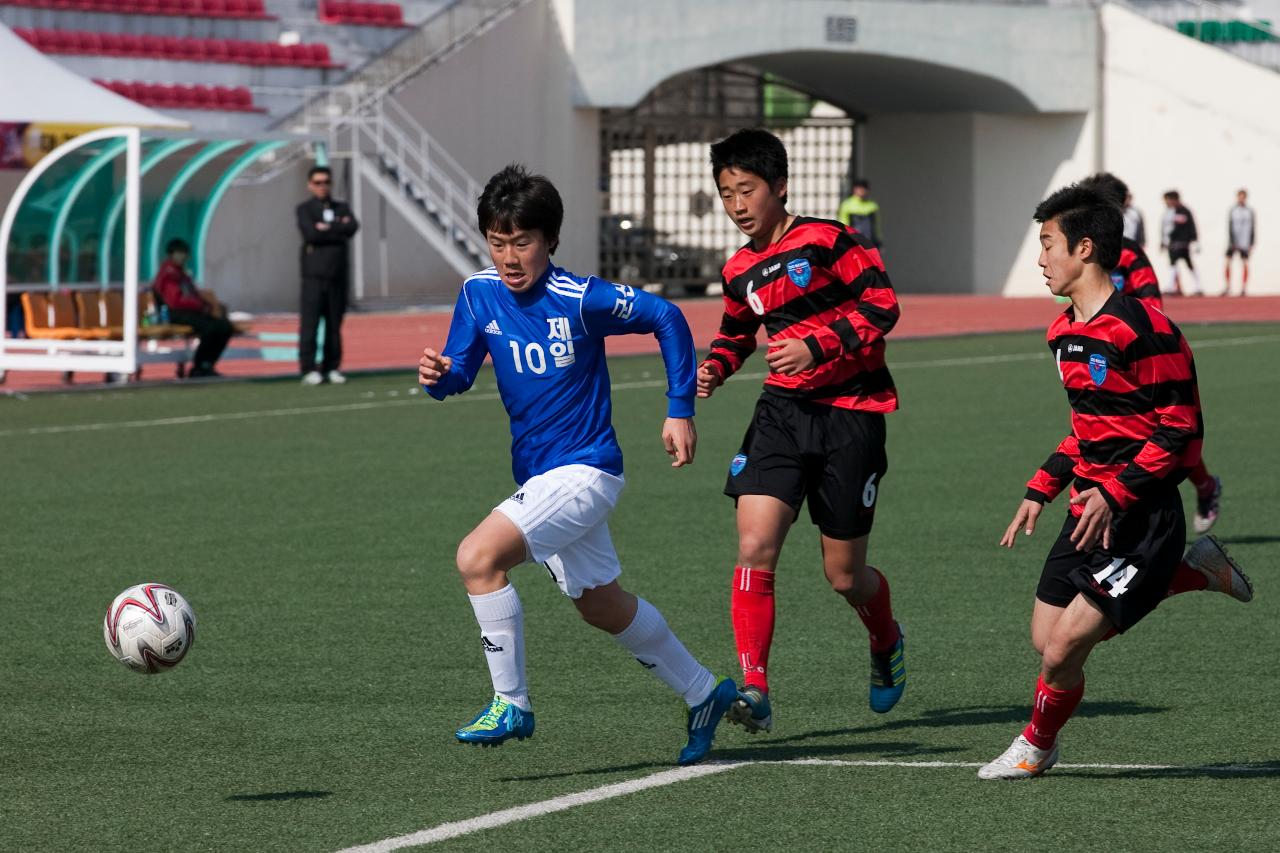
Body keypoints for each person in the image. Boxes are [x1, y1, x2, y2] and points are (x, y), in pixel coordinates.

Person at [417, 164, 737, 765]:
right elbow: (459, 371)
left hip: (587, 470)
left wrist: (679, 409)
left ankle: (510, 701)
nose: (510, 256)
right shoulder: (478, 293)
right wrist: (438, 377)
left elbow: (667, 317)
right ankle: (705, 692)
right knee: (601, 605)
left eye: (523, 241)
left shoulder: (579, 298)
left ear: (550, 241)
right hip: (541, 479)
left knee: (476, 558)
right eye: (498, 240)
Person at [978, 183, 1252, 780]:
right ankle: (1189, 573)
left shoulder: (1142, 328)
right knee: (1045, 638)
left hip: (1142, 517)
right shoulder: (1061, 335)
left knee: (1060, 654)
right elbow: (1085, 429)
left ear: (1084, 249)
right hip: (1087, 511)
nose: (1040, 259)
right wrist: (1040, 488)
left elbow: (1180, 427)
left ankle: (1036, 746)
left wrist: (1116, 491)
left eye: (1048, 245)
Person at [697, 129, 905, 735]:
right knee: (755, 544)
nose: (737, 204)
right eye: (726, 193)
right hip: (781, 416)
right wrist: (716, 366)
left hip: (853, 413)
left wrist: (816, 344)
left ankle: (886, 638)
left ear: (779, 188)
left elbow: (883, 305)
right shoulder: (738, 267)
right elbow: (738, 331)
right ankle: (754, 685)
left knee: (844, 575)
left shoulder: (829, 240)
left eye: (748, 190)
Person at [1083, 175, 1225, 533]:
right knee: (1103, 437)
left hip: (1138, 359)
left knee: (1163, 434)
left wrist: (1125, 339)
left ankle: (1202, 487)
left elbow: (1152, 309)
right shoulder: (1085, 253)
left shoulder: (1129, 253)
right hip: (1103, 361)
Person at [297, 165, 359, 385]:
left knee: (334, 325)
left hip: (337, 276)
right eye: (318, 182)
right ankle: (308, 368)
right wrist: (336, 228)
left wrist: (327, 227)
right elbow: (311, 233)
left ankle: (332, 366)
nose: (322, 186)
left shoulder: (341, 207)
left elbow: (352, 227)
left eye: (326, 182)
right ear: (310, 185)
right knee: (310, 324)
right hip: (313, 278)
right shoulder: (304, 209)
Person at [152, 238, 234, 378]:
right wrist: (203, 307)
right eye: (179, 253)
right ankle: (199, 366)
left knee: (225, 326)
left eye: (184, 253)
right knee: (210, 328)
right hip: (174, 314)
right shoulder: (169, 274)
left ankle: (207, 364)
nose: (182, 256)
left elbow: (193, 294)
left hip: (188, 312)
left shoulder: (181, 274)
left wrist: (209, 306)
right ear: (171, 254)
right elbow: (175, 301)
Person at [1160, 190, 1201, 296]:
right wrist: (1163, 241)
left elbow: (1191, 226)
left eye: (1168, 200)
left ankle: (1198, 286)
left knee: (1185, 264)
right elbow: (1165, 229)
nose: (1166, 203)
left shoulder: (1184, 211)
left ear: (1174, 200)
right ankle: (1172, 287)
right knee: (1173, 264)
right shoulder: (1169, 212)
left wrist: (1195, 240)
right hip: (1173, 243)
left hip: (1182, 243)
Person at [1225, 189, 1255, 297]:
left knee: (1244, 262)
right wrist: (1232, 241)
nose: (1241, 199)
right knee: (1228, 261)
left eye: (1243, 197)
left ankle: (1243, 287)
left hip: (1245, 241)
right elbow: (1229, 226)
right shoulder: (1233, 210)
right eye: (1239, 196)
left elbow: (1253, 227)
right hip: (1233, 242)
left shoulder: (1249, 211)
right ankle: (1228, 286)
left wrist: (1251, 242)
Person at [836, 178, 883, 248]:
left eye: (864, 188)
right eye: (859, 188)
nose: (862, 191)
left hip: (870, 242)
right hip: (854, 242)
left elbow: (876, 226)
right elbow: (843, 224)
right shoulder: (847, 205)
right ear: (854, 189)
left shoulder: (873, 206)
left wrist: (879, 241)